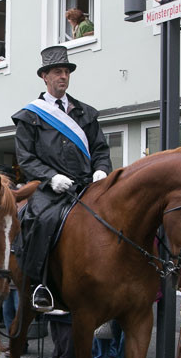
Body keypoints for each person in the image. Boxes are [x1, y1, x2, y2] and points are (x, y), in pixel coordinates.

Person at [12, 45, 111, 312]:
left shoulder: (85, 112)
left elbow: (100, 148)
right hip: (52, 188)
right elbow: (26, 159)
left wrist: (101, 169)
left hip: (86, 185)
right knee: (41, 221)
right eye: (57, 72)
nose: (63, 77)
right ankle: (40, 285)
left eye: (66, 72)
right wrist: (51, 178)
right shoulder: (30, 116)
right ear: (45, 76)